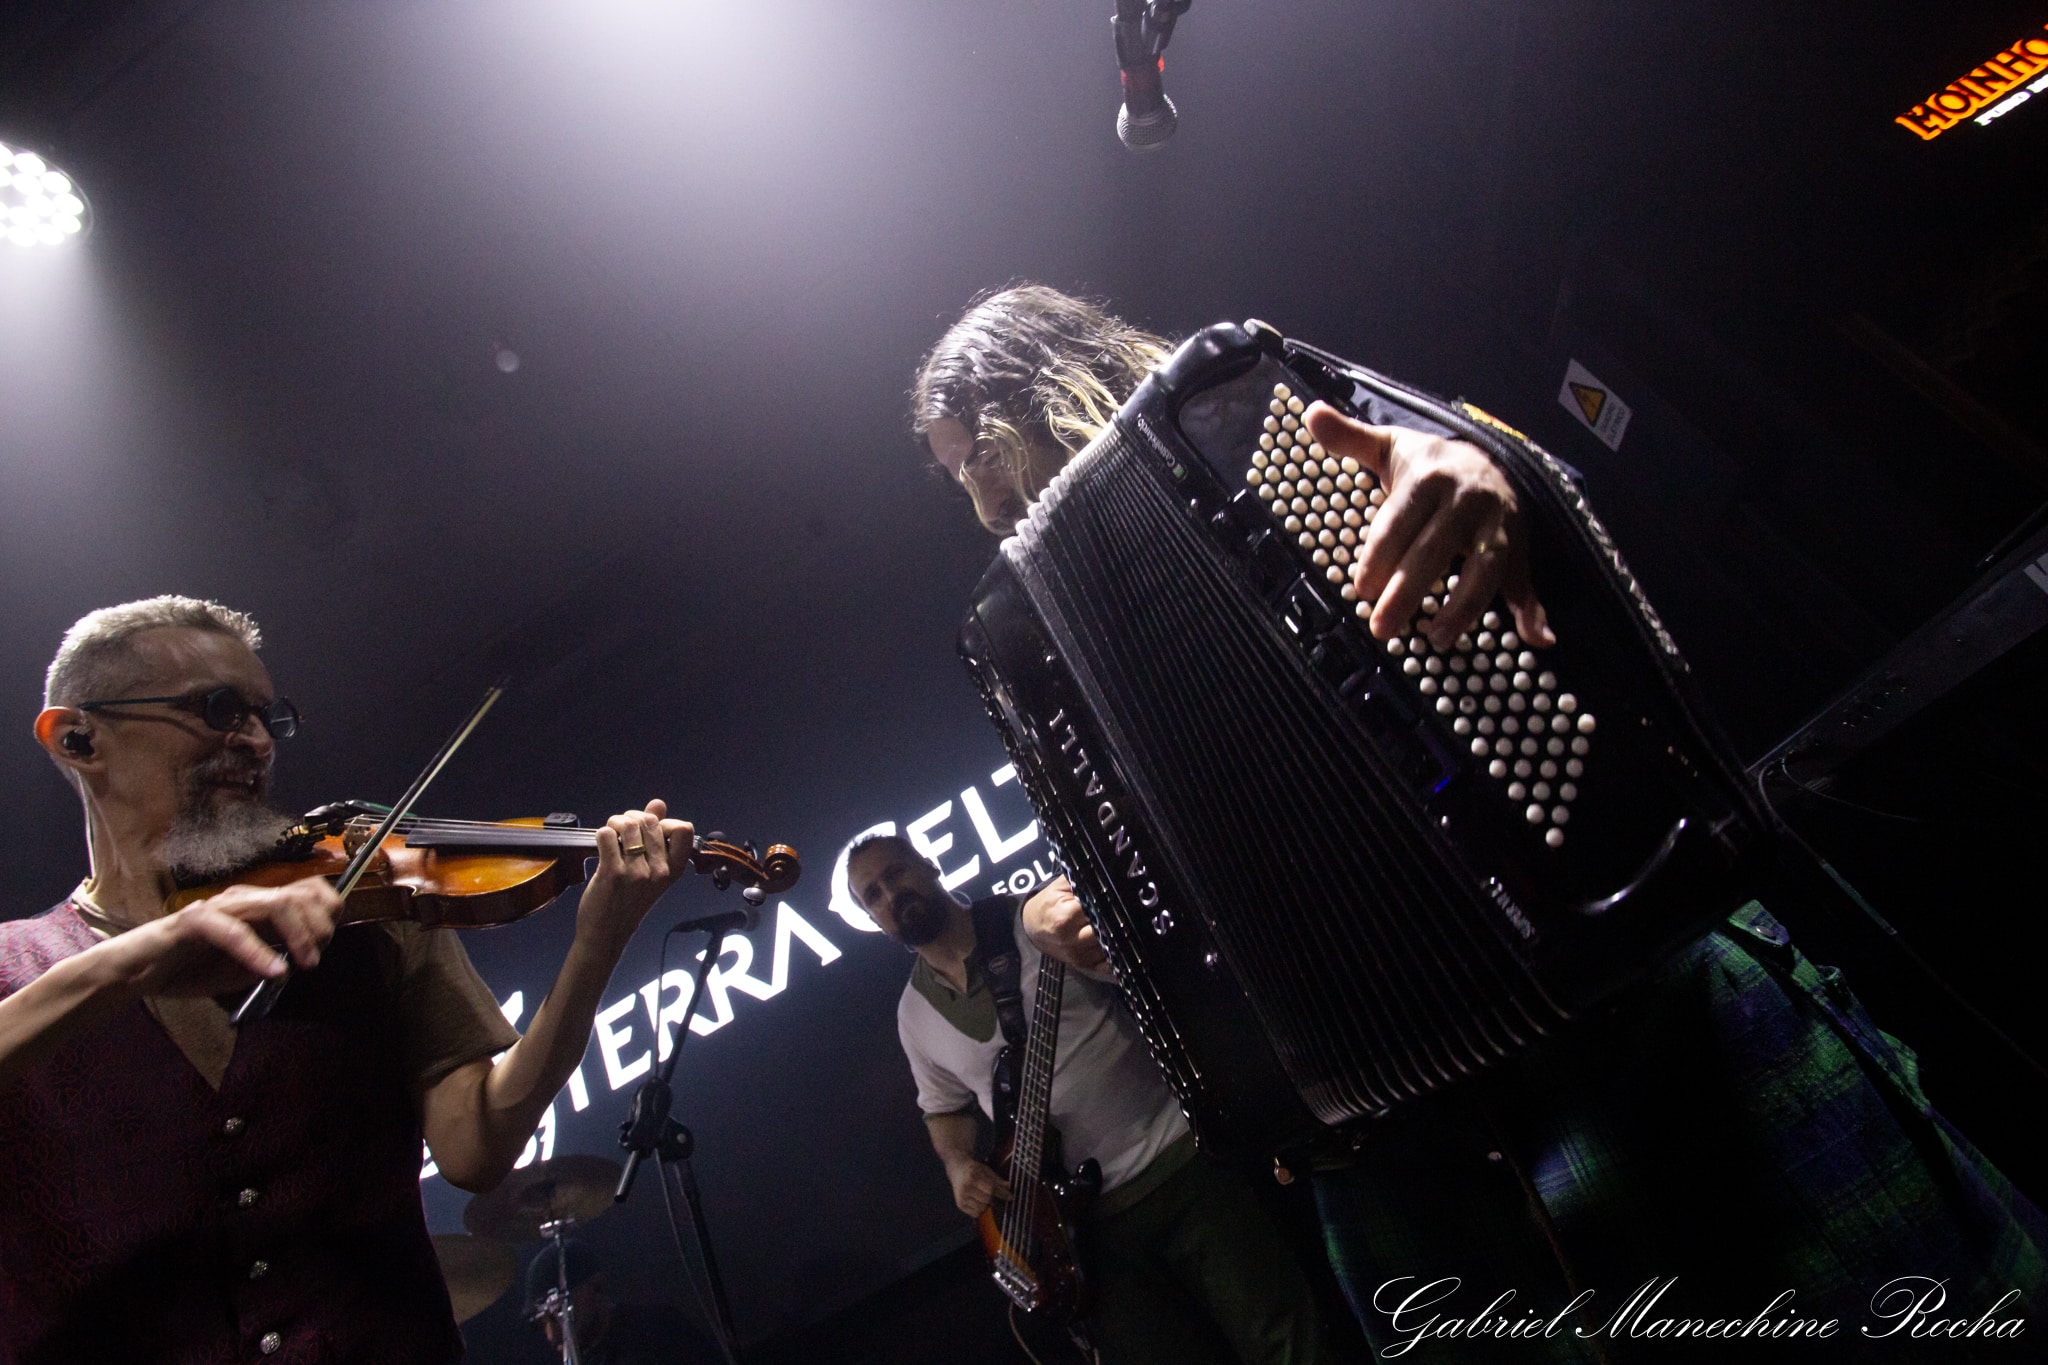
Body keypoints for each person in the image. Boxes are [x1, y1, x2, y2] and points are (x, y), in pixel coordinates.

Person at [906, 286, 2048, 1358]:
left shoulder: (1241, 422)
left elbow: (1496, 476)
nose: (984, 513)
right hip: (1401, 1159)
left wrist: (1475, 469)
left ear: (1054, 390)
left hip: (1636, 1025)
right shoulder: (1050, 659)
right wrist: (1113, 936)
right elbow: (1179, 924)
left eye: (981, 465)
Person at [0, 595, 696, 1363]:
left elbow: (476, 1147)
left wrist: (599, 942)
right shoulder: (13, 967)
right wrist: (129, 960)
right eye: (219, 709)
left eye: (269, 717)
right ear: (78, 738)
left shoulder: (366, 909)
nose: (258, 741)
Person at [846, 832, 1333, 1364]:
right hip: (1083, 1237)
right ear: (872, 919)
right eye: (873, 895)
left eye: (895, 873)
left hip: (1181, 1165)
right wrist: (958, 1164)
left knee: (1284, 1338)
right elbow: (943, 1109)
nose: (890, 895)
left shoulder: (1035, 921)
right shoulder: (913, 1014)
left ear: (929, 864)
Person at [524, 1239, 716, 1364]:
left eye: (557, 1312)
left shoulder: (659, 1329)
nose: (551, 1334)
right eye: (541, 1322)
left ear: (596, 1285)